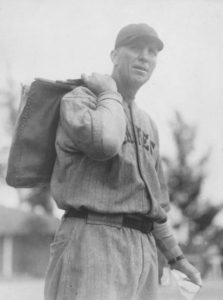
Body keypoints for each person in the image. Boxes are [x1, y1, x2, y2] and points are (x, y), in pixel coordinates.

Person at [44, 23, 202, 300]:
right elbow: (105, 143)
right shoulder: (81, 99)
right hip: (92, 237)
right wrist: (109, 93)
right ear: (114, 54)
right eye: (136, 48)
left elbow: (155, 205)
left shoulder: (147, 123)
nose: (145, 57)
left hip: (142, 249)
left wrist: (177, 259)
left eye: (152, 52)